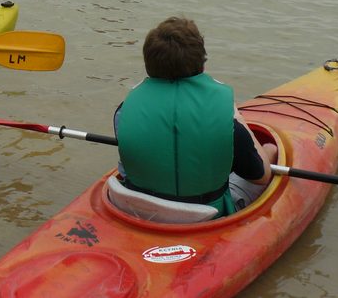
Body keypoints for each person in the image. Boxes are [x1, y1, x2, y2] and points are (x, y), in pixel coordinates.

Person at [113, 17, 277, 218]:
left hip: (140, 209)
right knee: (271, 149)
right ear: (201, 65)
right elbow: (261, 177)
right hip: (206, 214)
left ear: (148, 64)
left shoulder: (124, 111)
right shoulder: (228, 123)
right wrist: (237, 117)